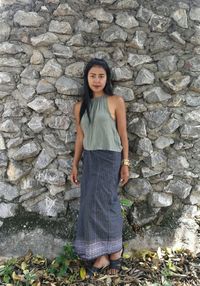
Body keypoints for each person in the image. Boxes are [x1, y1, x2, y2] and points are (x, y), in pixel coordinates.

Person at [70, 58, 129, 276]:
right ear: (86, 78)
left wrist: (125, 163)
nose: (96, 80)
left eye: (101, 76)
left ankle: (115, 252)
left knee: (108, 204)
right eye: (92, 76)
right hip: (90, 158)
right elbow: (80, 137)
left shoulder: (116, 101)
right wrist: (75, 164)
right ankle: (101, 255)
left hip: (110, 158)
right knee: (89, 206)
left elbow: (123, 135)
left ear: (107, 78)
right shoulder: (79, 107)